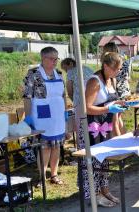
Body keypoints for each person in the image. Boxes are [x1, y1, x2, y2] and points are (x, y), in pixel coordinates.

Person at [84, 52, 127, 207]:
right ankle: (94, 195)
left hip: (106, 126)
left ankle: (105, 190)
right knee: (93, 161)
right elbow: (87, 108)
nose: (118, 72)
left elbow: (110, 101)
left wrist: (119, 103)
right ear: (106, 66)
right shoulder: (94, 82)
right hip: (92, 127)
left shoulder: (112, 80)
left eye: (119, 69)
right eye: (116, 69)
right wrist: (109, 108)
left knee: (104, 160)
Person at [23, 47, 66, 185]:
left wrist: (65, 112)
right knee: (45, 147)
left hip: (58, 116)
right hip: (42, 116)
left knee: (57, 146)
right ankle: (42, 176)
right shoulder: (33, 74)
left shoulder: (59, 73)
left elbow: (63, 95)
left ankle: (54, 174)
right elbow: (27, 97)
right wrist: (28, 117)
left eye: (56, 59)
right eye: (51, 59)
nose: (54, 62)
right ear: (43, 58)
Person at [60, 58, 94, 143]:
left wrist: (73, 101)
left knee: (81, 127)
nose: (66, 71)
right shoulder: (88, 68)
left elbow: (69, 90)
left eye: (65, 69)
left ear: (71, 64)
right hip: (92, 100)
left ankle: (82, 149)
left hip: (80, 102)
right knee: (91, 124)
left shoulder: (71, 72)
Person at [102, 42, 131, 135]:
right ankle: (124, 138)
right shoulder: (124, 60)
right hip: (125, 91)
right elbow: (128, 77)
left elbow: (112, 77)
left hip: (117, 91)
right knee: (118, 118)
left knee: (115, 119)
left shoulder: (113, 62)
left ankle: (120, 140)